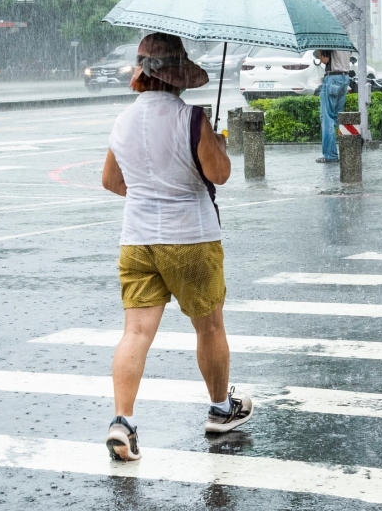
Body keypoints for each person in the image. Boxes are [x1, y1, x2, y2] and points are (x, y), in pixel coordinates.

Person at [101, 32, 251, 462]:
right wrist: (218, 145)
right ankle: (222, 409)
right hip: (191, 239)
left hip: (137, 240)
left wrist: (151, 188)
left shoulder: (123, 121)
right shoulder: (193, 120)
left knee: (135, 332)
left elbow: (112, 182)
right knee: (209, 327)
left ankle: (122, 422)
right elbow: (219, 175)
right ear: (178, 74)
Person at [315, 49, 353, 163]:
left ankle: (330, 155)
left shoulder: (328, 41)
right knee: (337, 116)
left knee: (327, 118)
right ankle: (353, 139)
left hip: (332, 78)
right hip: (344, 78)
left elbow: (325, 59)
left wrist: (319, 53)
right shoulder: (344, 42)